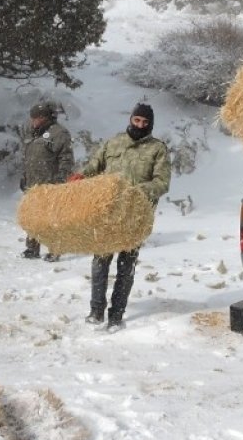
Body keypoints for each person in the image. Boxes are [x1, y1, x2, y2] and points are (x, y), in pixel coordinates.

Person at [78, 102, 171, 332]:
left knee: (125, 266)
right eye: (137, 120)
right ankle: (96, 312)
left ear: (150, 124)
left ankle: (116, 315)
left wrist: (137, 192)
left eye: (145, 122)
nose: (140, 125)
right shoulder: (114, 142)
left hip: (135, 216)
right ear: (131, 119)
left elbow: (162, 182)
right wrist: (80, 176)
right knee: (100, 262)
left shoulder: (157, 149)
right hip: (108, 213)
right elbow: (94, 166)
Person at [20, 102, 75, 262]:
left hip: (51, 184)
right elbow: (27, 157)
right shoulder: (31, 133)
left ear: (46, 117)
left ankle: (55, 249)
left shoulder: (59, 133)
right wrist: (24, 177)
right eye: (33, 118)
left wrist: (60, 180)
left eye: (38, 118)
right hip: (33, 184)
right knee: (33, 217)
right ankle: (32, 248)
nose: (34, 121)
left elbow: (66, 159)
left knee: (53, 219)